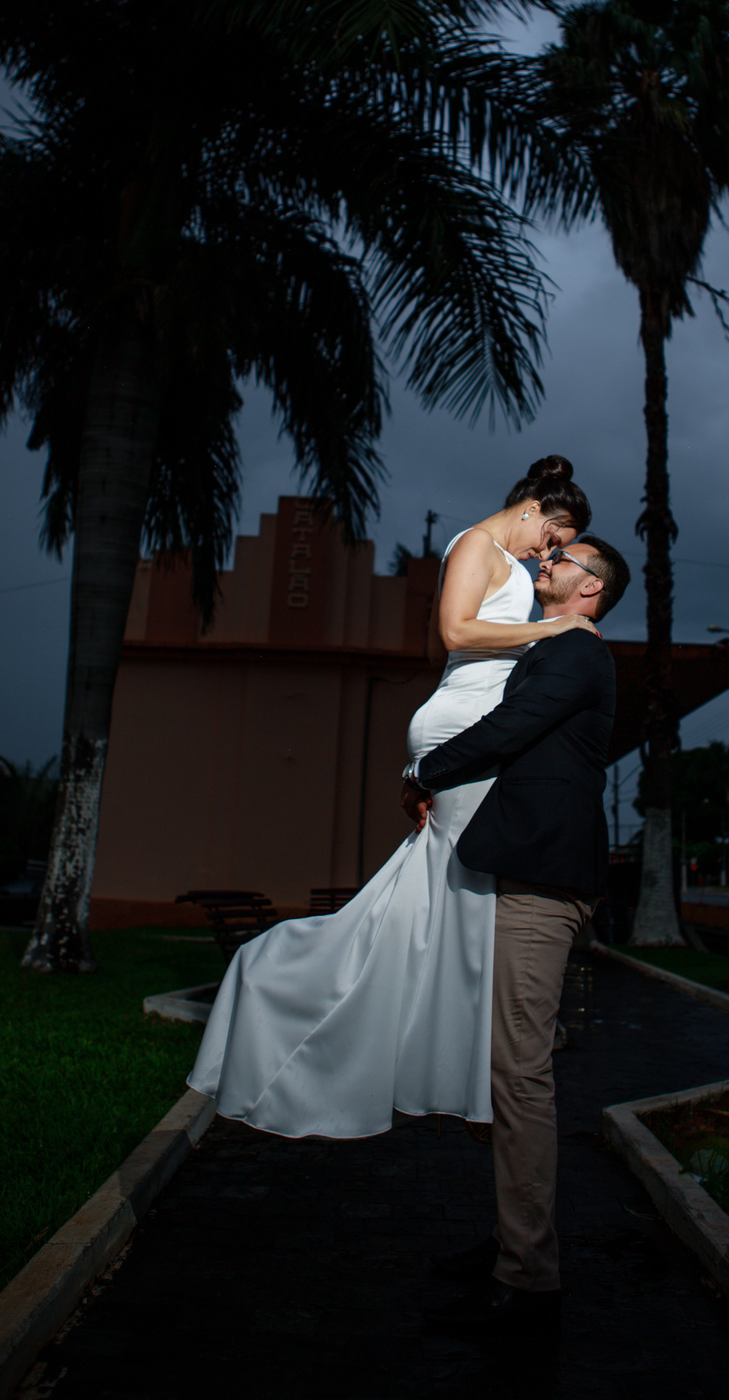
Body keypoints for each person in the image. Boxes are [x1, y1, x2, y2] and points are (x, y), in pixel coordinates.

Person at [186, 454, 596, 1139]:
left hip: (469, 722)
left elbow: (464, 652)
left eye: (558, 550)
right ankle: (311, 996)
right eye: (551, 537)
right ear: (532, 510)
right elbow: (456, 634)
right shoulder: (477, 544)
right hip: (463, 724)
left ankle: (437, 1060)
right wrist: (549, 631)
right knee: (466, 890)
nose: (546, 555)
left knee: (440, 892)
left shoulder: (501, 558)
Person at [404, 533, 632, 1335]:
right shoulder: (553, 647)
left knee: (520, 1074)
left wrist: (423, 772)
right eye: (549, 555)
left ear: (591, 589)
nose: (547, 563)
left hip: (543, 878)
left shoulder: (579, 652)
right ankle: (513, 1239)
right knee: (504, 1069)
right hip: (521, 870)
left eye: (563, 561)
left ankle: (530, 1273)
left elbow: (511, 728)